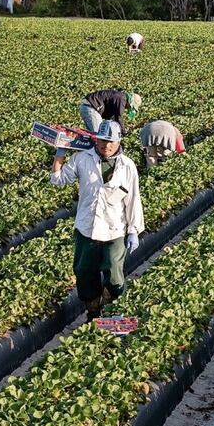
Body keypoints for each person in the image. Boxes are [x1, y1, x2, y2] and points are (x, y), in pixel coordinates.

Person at [51, 120, 144, 319]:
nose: (106, 145)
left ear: (119, 141)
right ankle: (93, 312)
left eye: (111, 141)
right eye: (102, 140)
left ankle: (111, 309)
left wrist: (133, 230)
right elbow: (58, 180)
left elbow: (133, 198)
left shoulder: (127, 166)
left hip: (114, 229)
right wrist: (60, 154)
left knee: (114, 273)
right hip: (87, 227)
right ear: (96, 139)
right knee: (84, 273)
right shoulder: (82, 158)